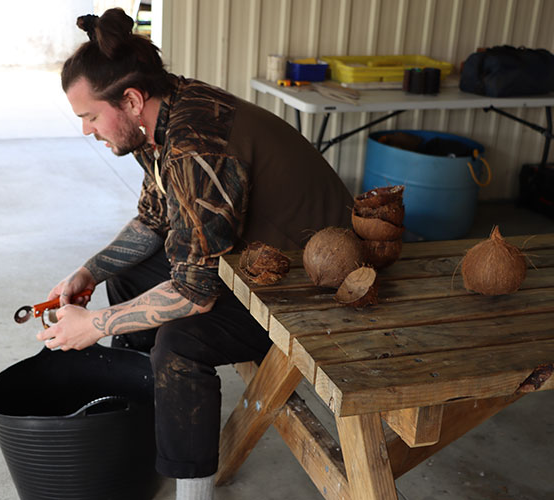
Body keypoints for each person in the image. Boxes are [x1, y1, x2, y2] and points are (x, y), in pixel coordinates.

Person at [37, 8, 354, 500]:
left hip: (305, 286)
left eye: (91, 117)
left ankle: (193, 492)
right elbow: (154, 220)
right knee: (126, 280)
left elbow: (193, 292)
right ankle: (147, 414)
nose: (87, 131)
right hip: (245, 256)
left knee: (180, 344)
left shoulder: (193, 148)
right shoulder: (155, 118)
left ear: (131, 99)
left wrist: (96, 326)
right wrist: (89, 271)